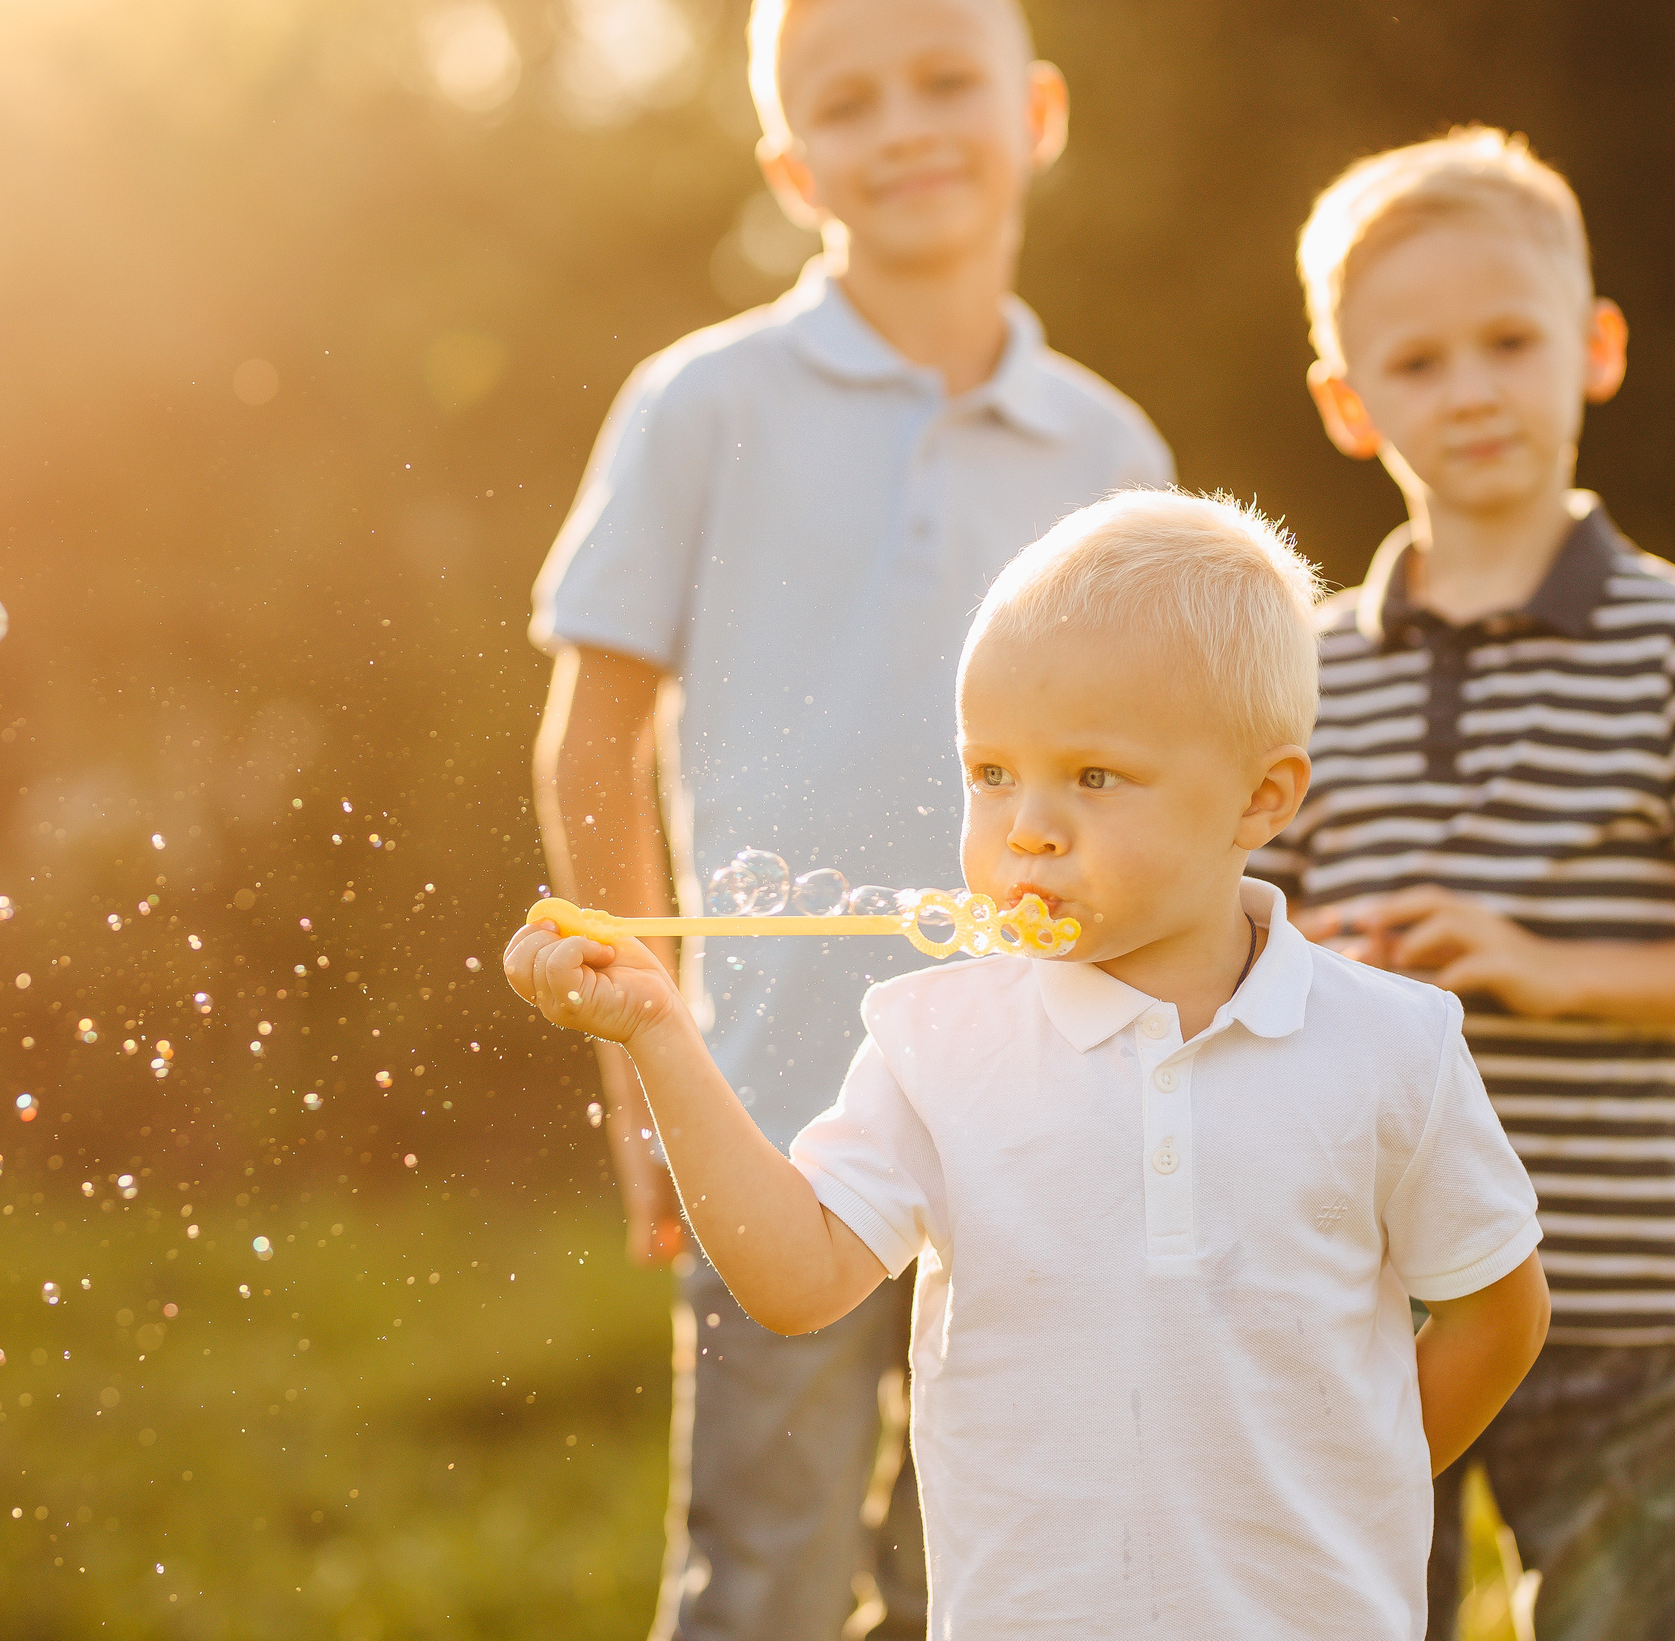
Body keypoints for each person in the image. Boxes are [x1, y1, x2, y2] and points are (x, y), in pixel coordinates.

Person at [510, 491, 1552, 1637]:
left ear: (1262, 798)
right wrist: (660, 1034)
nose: (1027, 829)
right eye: (991, 773)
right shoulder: (937, 1040)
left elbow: (1495, 1314)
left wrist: (1355, 1482)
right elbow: (794, 1278)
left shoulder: (1389, 1045)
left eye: (1092, 778)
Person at [527, 0, 1170, 1634]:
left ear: (1035, 113)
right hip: (780, 1118)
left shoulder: (1113, 455)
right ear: (790, 167)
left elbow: (1172, 794)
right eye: (848, 103)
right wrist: (641, 1081)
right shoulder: (701, 402)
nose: (904, 128)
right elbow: (591, 734)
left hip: (1054, 1121)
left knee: (997, 1578)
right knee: (764, 1578)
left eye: (946, 83)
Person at [1258, 127, 1675, 1640]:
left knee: (1626, 1621)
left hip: (1609, 1278)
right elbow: (1235, 948)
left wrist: (1541, 961)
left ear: (1596, 348)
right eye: (1419, 360)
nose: (1471, 391)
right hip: (1363, 1280)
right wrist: (1309, 958)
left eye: (1510, 343)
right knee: (1367, 1613)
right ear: (1345, 401)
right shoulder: (1306, 667)